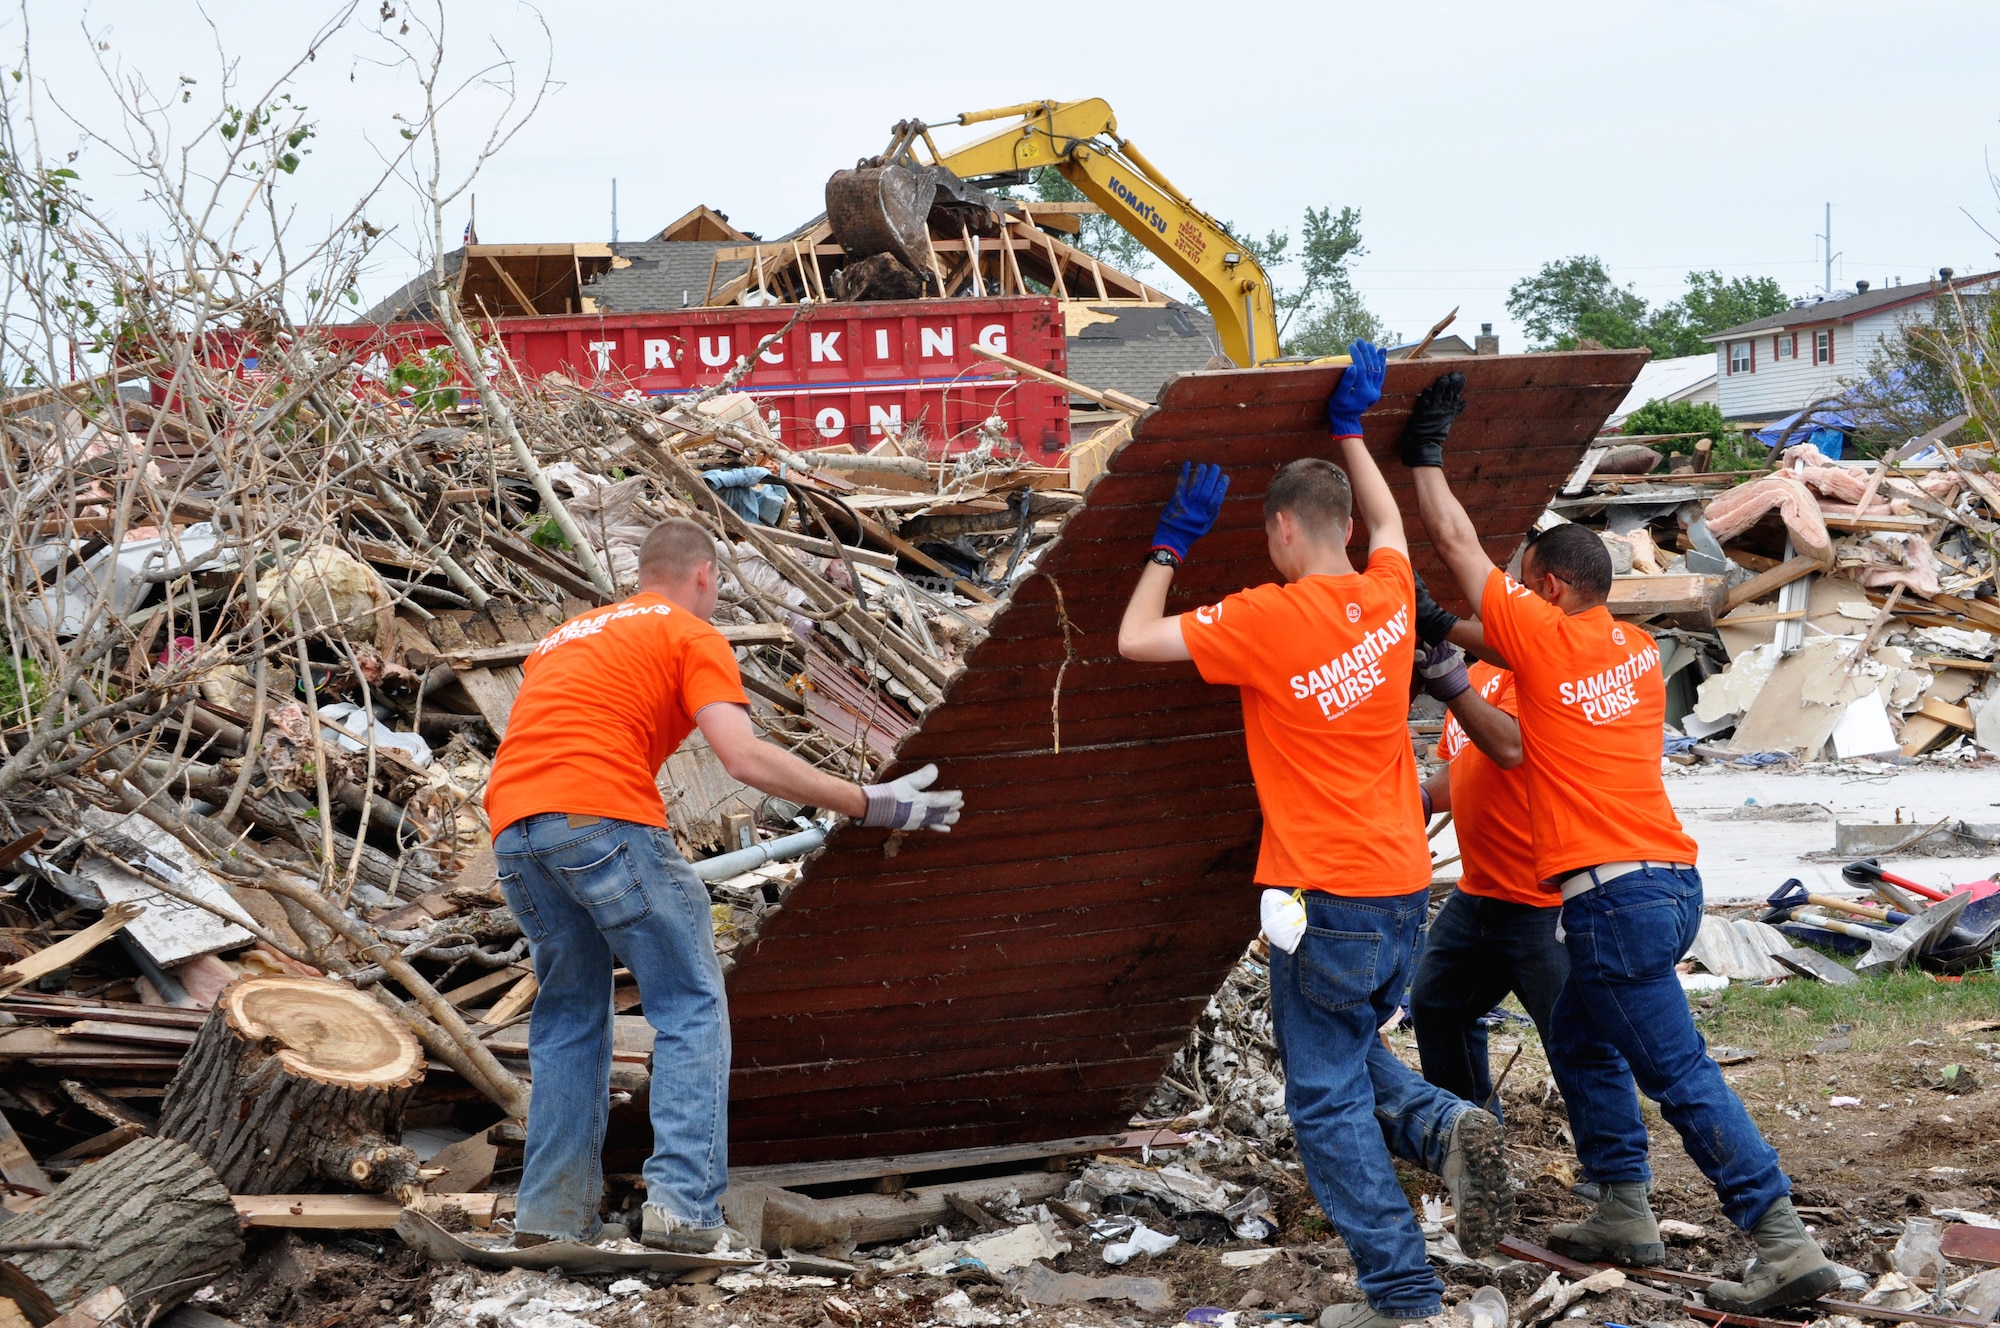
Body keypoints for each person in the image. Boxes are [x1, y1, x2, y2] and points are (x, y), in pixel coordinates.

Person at [1403, 372, 1840, 1314]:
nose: (1517, 601)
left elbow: (1453, 542)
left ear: (1551, 589)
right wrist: (1442, 633)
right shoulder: (1635, 655)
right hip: (1668, 881)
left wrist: (1424, 457)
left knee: (1678, 1076)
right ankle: (1623, 1209)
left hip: (1606, 901)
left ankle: (1781, 1241)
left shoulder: (1549, 646)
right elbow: (1500, 653)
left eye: (1527, 591)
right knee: (1584, 1040)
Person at [1116, 341, 1513, 1328]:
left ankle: (1401, 1293)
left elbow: (1131, 638)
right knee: (1339, 1052)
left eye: (1267, 537)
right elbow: (1386, 518)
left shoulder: (1260, 617)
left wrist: (1167, 545)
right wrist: (1347, 424)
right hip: (1398, 892)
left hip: (1315, 895)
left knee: (1322, 1101)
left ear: (1284, 528)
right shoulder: (1386, 593)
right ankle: (1446, 1121)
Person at [483, 518, 963, 1253]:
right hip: (602, 820)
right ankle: (680, 1210)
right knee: (690, 1004)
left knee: (569, 1019)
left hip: (515, 833)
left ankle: (548, 1216)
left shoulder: (568, 634)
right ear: (704, 575)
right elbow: (742, 757)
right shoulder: (688, 632)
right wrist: (874, 801)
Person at [1408, 646, 1570, 1117]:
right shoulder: (1474, 673)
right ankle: (1470, 1133)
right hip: (1480, 892)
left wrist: (1452, 687)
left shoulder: (1539, 671)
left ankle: (1615, 1169)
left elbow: (1508, 745)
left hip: (1543, 899)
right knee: (1437, 1005)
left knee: (1573, 1038)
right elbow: (1463, 763)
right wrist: (1419, 800)